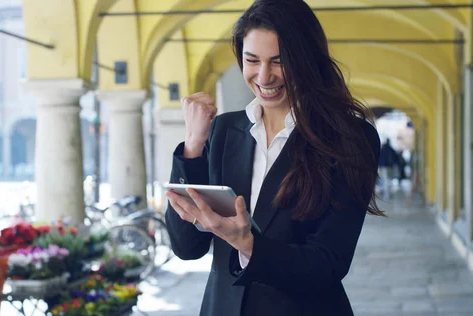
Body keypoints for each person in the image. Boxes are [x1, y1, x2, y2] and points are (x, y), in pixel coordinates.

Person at [164, 1, 383, 315]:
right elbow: (186, 247)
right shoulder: (225, 130)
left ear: (307, 60)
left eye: (279, 62)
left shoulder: (350, 137)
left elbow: (329, 263)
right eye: (252, 60)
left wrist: (247, 244)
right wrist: (193, 145)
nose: (264, 77)